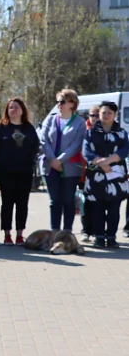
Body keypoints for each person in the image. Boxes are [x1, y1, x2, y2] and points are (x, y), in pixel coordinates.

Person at [0, 97, 40, 245]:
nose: (13, 109)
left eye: (16, 107)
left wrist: (30, 159)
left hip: (25, 171)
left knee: (22, 203)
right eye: (11, 107)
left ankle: (20, 234)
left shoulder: (29, 128)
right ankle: (7, 234)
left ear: (22, 110)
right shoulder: (1, 128)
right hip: (6, 171)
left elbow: (35, 146)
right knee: (7, 203)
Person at [38, 89, 87, 232]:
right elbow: (43, 139)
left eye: (63, 101)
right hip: (49, 166)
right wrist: (53, 160)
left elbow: (77, 144)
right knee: (55, 201)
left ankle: (67, 232)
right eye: (58, 101)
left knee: (68, 201)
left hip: (70, 168)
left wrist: (60, 160)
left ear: (72, 104)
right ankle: (55, 231)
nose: (59, 104)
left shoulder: (79, 122)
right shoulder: (51, 119)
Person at [82, 101, 129, 248]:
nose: (106, 115)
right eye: (103, 113)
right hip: (97, 177)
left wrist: (108, 161)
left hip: (116, 177)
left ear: (115, 115)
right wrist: (100, 163)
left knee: (114, 209)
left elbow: (124, 150)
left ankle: (111, 237)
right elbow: (86, 151)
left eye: (109, 113)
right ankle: (99, 238)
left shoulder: (121, 133)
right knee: (97, 209)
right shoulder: (90, 133)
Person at [80, 105, 100, 242]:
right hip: (83, 173)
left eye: (97, 116)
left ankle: (97, 231)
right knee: (84, 203)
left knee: (98, 204)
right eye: (92, 115)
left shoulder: (105, 131)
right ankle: (86, 230)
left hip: (100, 174)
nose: (95, 118)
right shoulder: (83, 130)